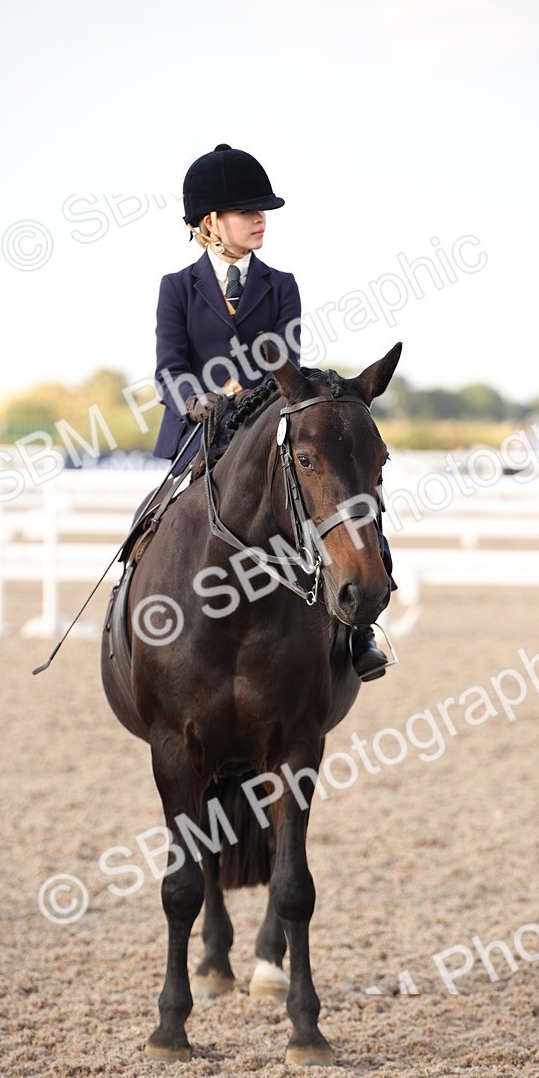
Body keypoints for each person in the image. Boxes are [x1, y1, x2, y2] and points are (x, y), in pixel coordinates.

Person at [152, 143, 389, 680]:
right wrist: (194, 400)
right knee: (151, 523)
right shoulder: (177, 289)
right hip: (199, 435)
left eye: (263, 211)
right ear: (210, 222)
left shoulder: (281, 285)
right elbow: (168, 365)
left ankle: (361, 630)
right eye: (247, 212)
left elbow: (287, 366)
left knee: (344, 500)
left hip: (263, 432)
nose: (260, 220)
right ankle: (131, 602)